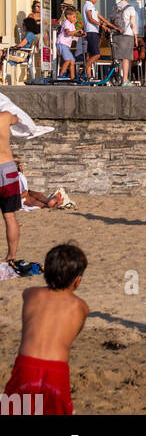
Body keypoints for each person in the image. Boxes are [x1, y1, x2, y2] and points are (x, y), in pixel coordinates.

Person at [2, 243, 89, 415]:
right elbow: (72, 334)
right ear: (77, 280)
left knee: (14, 410)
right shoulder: (80, 306)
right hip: (56, 370)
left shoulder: (30, 294)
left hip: (26, 365)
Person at [0, 108, 23, 267]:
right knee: (9, 216)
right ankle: (11, 256)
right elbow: (18, 119)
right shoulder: (5, 116)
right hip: (7, 168)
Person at [82, 0, 117, 81]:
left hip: (93, 32)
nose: (96, 0)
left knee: (89, 55)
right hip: (91, 32)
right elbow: (90, 19)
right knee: (97, 54)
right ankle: (84, 69)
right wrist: (102, 26)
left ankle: (89, 77)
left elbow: (99, 16)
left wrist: (112, 26)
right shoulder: (88, 5)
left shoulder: (92, 6)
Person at [110, 0, 138, 86]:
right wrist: (136, 37)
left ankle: (115, 78)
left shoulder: (115, 6)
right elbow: (133, 24)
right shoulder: (130, 8)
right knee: (126, 58)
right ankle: (125, 80)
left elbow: (112, 20)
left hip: (116, 34)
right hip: (127, 34)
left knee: (116, 58)